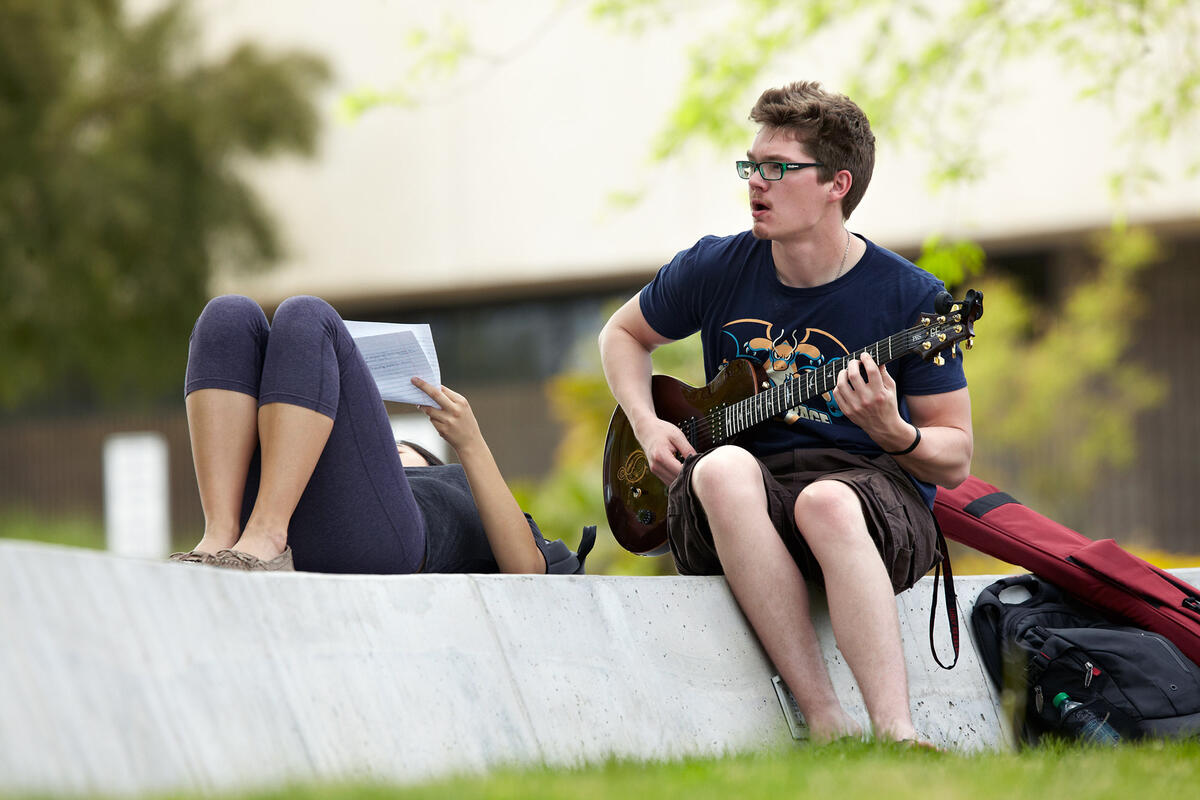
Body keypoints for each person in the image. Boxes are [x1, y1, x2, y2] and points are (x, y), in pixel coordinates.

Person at [598, 81, 972, 744]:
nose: (756, 183)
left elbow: (955, 457)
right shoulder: (716, 266)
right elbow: (622, 335)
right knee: (720, 472)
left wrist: (895, 431)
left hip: (867, 499)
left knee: (825, 502)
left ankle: (897, 734)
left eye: (778, 168)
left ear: (836, 184)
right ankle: (826, 724)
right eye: (752, 166)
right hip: (737, 504)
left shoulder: (912, 300)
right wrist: (648, 421)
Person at [172, 294, 591, 575]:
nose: (388, 448)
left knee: (306, 315)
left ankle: (267, 535)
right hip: (275, 508)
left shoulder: (459, 485)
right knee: (227, 314)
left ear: (429, 462)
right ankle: (219, 535)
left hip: (379, 542)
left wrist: (470, 443)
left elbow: (529, 571)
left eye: (396, 448)